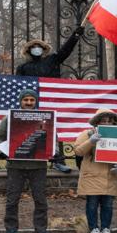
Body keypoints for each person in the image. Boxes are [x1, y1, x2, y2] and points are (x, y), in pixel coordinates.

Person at [18, 32, 83, 173]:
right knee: (34, 133)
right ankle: (34, 160)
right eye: (33, 47)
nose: (36, 49)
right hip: (33, 104)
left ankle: (58, 161)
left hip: (52, 101)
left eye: (39, 46)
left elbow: (65, 51)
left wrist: (75, 36)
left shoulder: (52, 60)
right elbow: (17, 86)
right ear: (28, 50)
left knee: (55, 131)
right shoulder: (23, 67)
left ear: (43, 49)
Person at [0, 88, 50, 233]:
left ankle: (41, 230)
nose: (28, 103)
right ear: (20, 101)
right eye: (25, 100)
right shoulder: (10, 118)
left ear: (36, 102)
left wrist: (54, 151)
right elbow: (0, 136)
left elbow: (53, 137)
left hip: (38, 166)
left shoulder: (45, 118)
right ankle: (11, 229)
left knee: (40, 199)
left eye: (32, 100)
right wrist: (2, 151)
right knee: (12, 199)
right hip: (16, 166)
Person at [72, 110, 117, 233]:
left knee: (108, 204)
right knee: (92, 204)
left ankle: (106, 228)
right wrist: (91, 141)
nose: (107, 124)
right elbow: (78, 151)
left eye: (110, 122)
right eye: (103, 121)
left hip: (109, 175)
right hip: (92, 174)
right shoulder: (87, 133)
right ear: (97, 122)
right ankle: (93, 228)